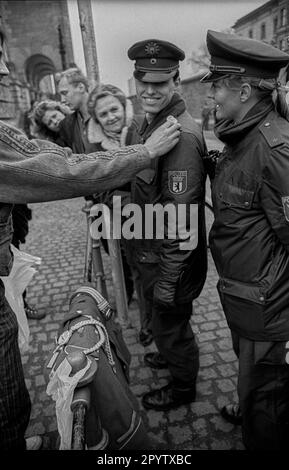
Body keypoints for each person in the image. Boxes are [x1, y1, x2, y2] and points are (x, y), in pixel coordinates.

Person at [0, 29, 181, 450]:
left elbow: (54, 158)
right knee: (5, 392)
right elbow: (60, 169)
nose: (5, 69)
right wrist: (141, 156)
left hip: (140, 231)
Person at [201, 29, 289, 450]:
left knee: (266, 404)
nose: (213, 95)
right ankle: (252, 402)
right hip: (247, 300)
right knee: (254, 384)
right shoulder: (242, 137)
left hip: (269, 310)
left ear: (244, 88)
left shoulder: (274, 148)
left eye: (217, 85)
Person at [127, 39, 208, 411]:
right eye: (143, 80)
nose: (148, 89)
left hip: (167, 261)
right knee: (165, 326)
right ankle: (170, 353)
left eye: (159, 83)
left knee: (171, 326)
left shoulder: (179, 136)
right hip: (151, 254)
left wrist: (168, 281)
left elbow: (182, 220)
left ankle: (182, 387)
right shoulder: (152, 125)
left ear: (175, 80)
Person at [87, 83, 153, 345]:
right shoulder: (94, 146)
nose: (110, 117)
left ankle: (166, 323)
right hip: (126, 221)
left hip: (155, 214)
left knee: (161, 272)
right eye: (103, 114)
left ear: (123, 105)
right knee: (139, 272)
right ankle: (148, 325)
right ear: (97, 119)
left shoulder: (142, 126)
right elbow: (98, 187)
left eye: (113, 109)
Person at [57, 67, 95, 154]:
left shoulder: (106, 113)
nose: (62, 100)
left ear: (81, 87)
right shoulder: (66, 125)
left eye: (65, 93)